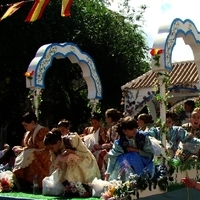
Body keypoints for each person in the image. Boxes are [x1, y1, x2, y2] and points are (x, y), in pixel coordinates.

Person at [104, 116, 154, 182]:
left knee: (132, 156)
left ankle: (141, 179)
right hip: (126, 166)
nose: (134, 130)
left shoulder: (143, 138)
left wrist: (136, 151)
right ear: (124, 131)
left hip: (144, 163)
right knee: (123, 159)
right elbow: (113, 158)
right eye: (131, 129)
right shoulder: (120, 143)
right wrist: (107, 174)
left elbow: (150, 154)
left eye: (135, 128)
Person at [12, 111, 51, 189]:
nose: (25, 128)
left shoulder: (43, 131)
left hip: (42, 155)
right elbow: (26, 146)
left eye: (26, 125)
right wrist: (20, 148)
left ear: (33, 122)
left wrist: (24, 149)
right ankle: (22, 181)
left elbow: (41, 146)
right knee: (25, 155)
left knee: (28, 154)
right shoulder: (27, 133)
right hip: (30, 153)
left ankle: (36, 183)